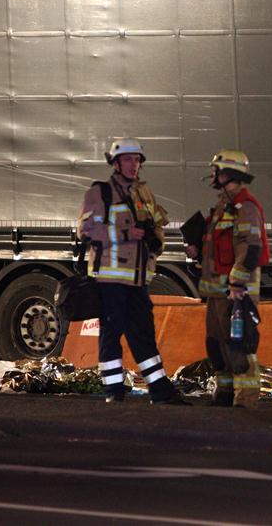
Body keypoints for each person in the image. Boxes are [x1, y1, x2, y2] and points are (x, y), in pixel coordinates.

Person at [77, 138, 188, 405]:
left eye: (137, 160)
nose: (133, 165)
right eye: (127, 160)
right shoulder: (100, 192)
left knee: (144, 334)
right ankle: (114, 391)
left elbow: (158, 224)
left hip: (138, 279)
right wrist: (125, 233)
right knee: (111, 334)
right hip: (110, 279)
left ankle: (159, 389)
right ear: (115, 163)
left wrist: (156, 241)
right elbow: (86, 230)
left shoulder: (144, 193)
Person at [185, 150, 269, 409]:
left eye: (216, 170)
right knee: (216, 344)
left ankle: (245, 399)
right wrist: (197, 251)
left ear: (228, 173)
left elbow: (250, 247)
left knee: (239, 345)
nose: (213, 175)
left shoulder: (246, 206)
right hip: (216, 291)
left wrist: (237, 284)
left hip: (235, 292)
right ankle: (224, 393)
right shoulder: (224, 206)